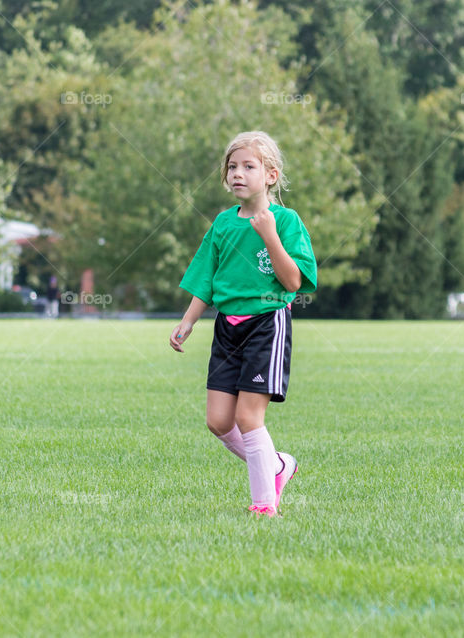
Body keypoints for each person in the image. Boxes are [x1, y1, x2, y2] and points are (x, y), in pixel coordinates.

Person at [169, 131, 317, 518]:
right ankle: (279, 465)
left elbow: (293, 282)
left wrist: (269, 237)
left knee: (249, 418)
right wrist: (188, 321)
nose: (238, 174)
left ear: (270, 175)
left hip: (266, 324)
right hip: (226, 328)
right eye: (232, 167)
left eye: (248, 166)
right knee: (218, 421)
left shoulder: (285, 221)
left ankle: (264, 504)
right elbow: (206, 277)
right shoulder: (222, 224)